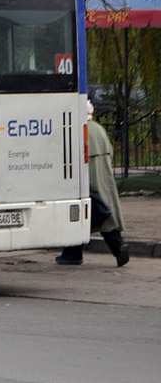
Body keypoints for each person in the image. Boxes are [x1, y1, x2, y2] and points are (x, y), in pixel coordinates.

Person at [56, 101, 130, 266]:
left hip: (87, 179)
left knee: (83, 212)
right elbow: (110, 153)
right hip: (104, 178)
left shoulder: (76, 129)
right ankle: (117, 247)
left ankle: (73, 253)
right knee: (105, 214)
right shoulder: (98, 129)